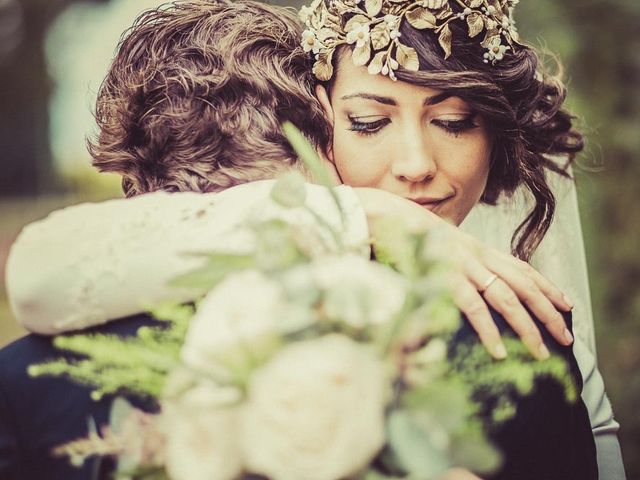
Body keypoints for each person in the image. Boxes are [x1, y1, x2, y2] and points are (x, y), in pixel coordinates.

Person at [0, 0, 623, 478]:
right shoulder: (512, 348)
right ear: (320, 141)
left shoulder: (23, 374)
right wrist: (364, 213)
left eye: (456, 121)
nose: (416, 164)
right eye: (369, 122)